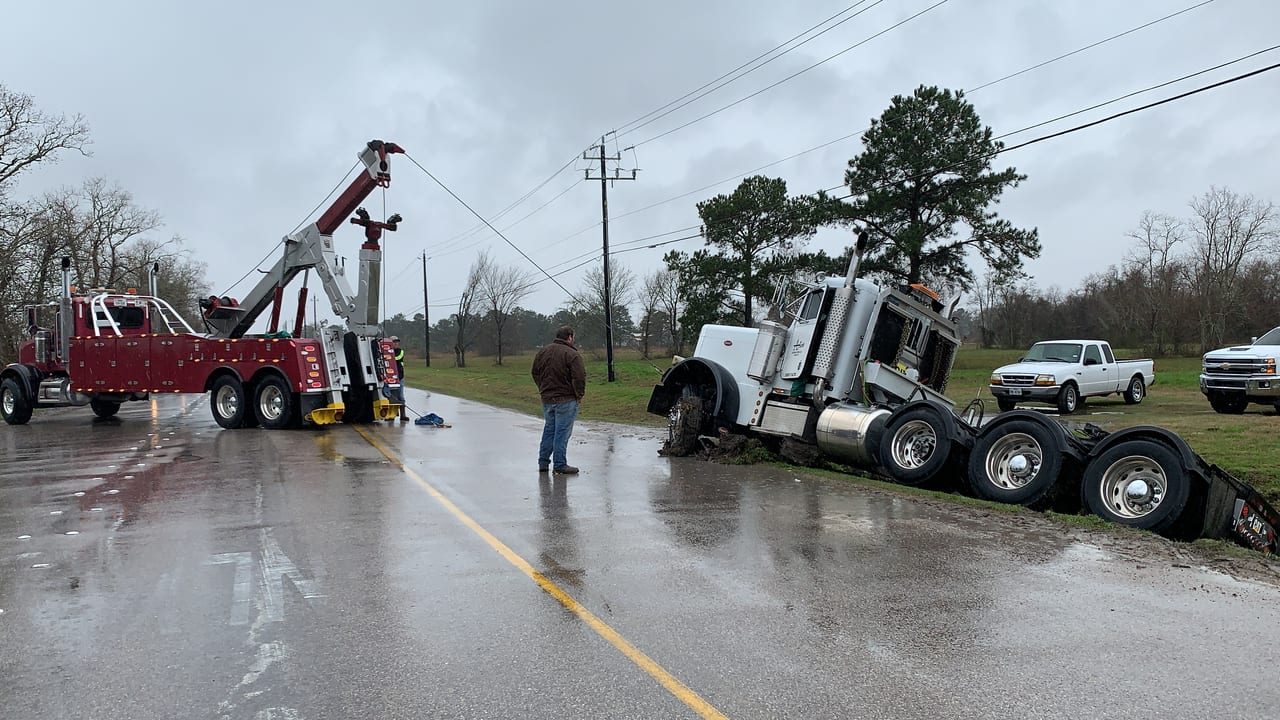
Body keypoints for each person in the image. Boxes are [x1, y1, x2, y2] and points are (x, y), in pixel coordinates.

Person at [531, 325, 585, 474]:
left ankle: (543, 462)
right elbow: (579, 377)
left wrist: (542, 388)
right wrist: (578, 395)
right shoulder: (572, 354)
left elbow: (534, 372)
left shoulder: (542, 352)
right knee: (562, 432)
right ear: (569, 337)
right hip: (566, 399)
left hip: (547, 399)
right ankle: (560, 464)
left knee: (549, 430)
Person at [391, 336, 408, 422]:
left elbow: (397, 358)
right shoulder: (386, 351)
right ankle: (391, 415)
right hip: (390, 378)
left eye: (397, 342)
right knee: (391, 396)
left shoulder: (400, 351)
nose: (396, 343)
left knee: (400, 396)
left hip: (400, 377)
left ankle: (403, 415)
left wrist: (389, 356)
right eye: (394, 342)